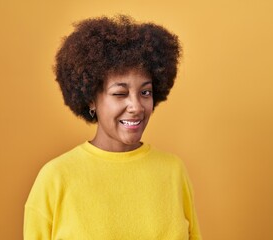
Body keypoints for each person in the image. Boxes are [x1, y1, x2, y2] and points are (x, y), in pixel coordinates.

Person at [24, 15, 202, 240]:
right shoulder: (56, 178)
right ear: (91, 99)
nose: (136, 107)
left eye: (145, 92)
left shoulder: (174, 172)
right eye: (120, 93)